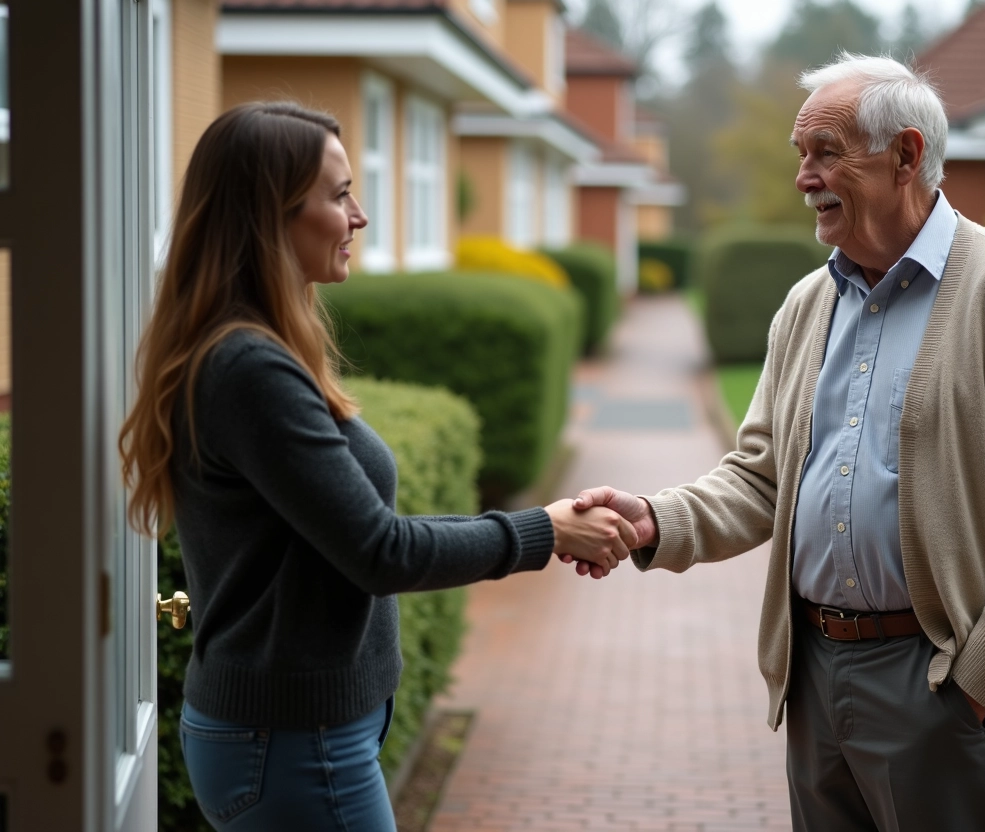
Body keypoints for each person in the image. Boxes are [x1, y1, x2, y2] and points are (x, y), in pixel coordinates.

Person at [568, 54, 985, 832]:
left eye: (826, 152)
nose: (805, 177)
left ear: (904, 156)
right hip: (816, 673)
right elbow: (762, 477)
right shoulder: (806, 305)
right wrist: (655, 518)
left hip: (941, 684)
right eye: (802, 155)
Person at [118, 101, 634, 831]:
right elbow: (380, 552)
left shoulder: (259, 351)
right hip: (292, 745)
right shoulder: (248, 369)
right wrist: (545, 531)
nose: (359, 216)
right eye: (337, 195)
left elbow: (357, 529)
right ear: (270, 217)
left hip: (299, 737)